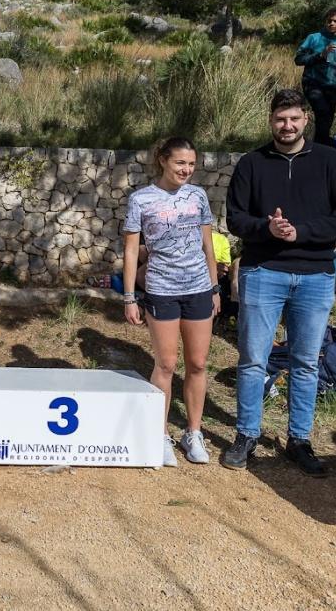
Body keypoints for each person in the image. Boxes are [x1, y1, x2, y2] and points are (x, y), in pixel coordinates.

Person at [224, 88, 336, 476]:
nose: (287, 126)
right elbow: (235, 219)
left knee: (306, 362)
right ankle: (247, 435)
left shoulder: (330, 162)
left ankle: (299, 439)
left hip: (316, 275)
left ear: (306, 120)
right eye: (280, 119)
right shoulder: (252, 163)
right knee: (253, 359)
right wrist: (267, 228)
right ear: (271, 121)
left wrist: (301, 232)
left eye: (294, 119)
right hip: (262, 270)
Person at [122, 137, 219, 466]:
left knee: (198, 364)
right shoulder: (141, 200)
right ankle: (160, 433)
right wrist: (130, 296)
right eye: (180, 163)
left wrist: (215, 288)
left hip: (199, 289)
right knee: (165, 365)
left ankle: (193, 432)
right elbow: (132, 250)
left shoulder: (198, 196)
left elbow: (209, 245)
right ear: (162, 160)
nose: (186, 170)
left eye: (191, 164)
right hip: (161, 288)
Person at [295, 8, 336, 148]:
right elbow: (298, 59)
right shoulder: (314, 38)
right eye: (329, 21)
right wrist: (320, 55)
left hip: (333, 86)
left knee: (327, 119)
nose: (331, 23)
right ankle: (329, 146)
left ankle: (320, 148)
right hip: (312, 82)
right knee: (321, 111)